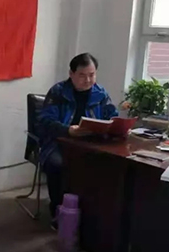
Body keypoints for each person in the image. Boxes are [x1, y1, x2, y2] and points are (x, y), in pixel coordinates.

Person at [38, 53, 118, 222]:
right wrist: (67, 130)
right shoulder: (58, 92)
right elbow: (45, 121)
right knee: (57, 165)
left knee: (109, 164)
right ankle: (58, 211)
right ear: (71, 74)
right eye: (82, 75)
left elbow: (112, 116)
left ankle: (93, 213)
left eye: (92, 75)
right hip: (58, 143)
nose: (88, 80)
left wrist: (118, 126)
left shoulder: (100, 93)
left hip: (91, 143)